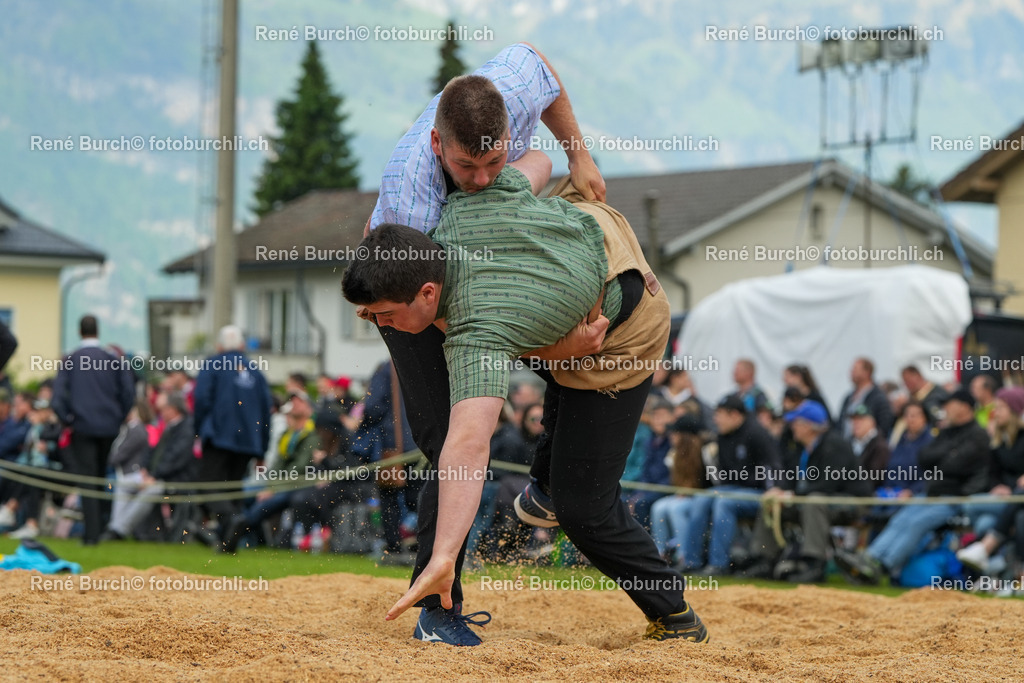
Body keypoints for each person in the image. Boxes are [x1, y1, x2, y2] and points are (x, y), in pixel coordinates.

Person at [344, 144, 707, 644]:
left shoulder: (480, 333)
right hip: (588, 239)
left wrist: (444, 557)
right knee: (547, 355)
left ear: (428, 293)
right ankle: (548, 482)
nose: (380, 325)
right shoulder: (471, 204)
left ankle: (676, 615)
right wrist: (576, 154)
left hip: (623, 336)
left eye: (384, 314)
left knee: (586, 509)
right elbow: (536, 160)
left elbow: (468, 446)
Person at [837, 390, 991, 584]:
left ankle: (883, 565)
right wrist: (948, 454)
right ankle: (869, 557)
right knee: (901, 519)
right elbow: (924, 457)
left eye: (950, 404)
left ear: (965, 407)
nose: (945, 409)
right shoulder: (946, 432)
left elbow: (954, 464)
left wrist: (944, 458)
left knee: (916, 523)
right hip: (932, 493)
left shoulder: (977, 434)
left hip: (956, 497)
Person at [741, 401, 871, 583]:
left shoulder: (835, 445)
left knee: (814, 501)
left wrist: (792, 496)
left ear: (810, 426)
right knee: (773, 503)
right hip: (816, 500)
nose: (792, 427)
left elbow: (827, 484)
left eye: (797, 422)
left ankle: (814, 563)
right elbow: (793, 482)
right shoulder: (802, 449)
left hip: (853, 502)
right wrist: (780, 492)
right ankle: (764, 558)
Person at [50, 315, 135, 545]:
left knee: (87, 478)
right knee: (99, 477)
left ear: (80, 331)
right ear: (98, 331)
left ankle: (91, 534)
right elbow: (128, 392)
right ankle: (98, 529)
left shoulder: (71, 359)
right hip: (108, 426)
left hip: (82, 426)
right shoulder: (112, 358)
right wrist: (118, 416)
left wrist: (67, 419)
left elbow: (57, 398)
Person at [676, 395, 779, 575]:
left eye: (720, 414)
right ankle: (691, 561)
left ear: (735, 415)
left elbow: (773, 466)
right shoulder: (723, 435)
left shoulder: (757, 433)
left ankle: (718, 564)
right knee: (701, 498)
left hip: (760, 492)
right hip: (733, 489)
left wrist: (772, 489)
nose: (716, 419)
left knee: (724, 503)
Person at [193, 324, 272, 547]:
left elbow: (200, 399)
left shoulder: (212, 364)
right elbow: (266, 411)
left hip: (218, 435)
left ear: (219, 346)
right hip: (248, 439)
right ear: (242, 345)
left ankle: (232, 519)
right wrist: (262, 448)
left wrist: (199, 430)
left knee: (208, 486)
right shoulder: (256, 371)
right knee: (233, 486)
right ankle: (228, 543)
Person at [221, 392, 321, 553]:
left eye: (298, 402)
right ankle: (244, 536)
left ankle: (231, 536)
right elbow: (277, 464)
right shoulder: (288, 434)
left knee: (260, 505)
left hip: (297, 485)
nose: (293, 404)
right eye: (292, 402)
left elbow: (300, 467)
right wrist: (270, 483)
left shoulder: (312, 433)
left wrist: (273, 488)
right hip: (278, 483)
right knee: (243, 494)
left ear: (308, 408)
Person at [102, 392, 197, 540]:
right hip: (157, 475)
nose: (161, 413)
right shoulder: (170, 427)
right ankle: (115, 526)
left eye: (163, 409)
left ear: (173, 409)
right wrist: (145, 470)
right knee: (124, 484)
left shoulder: (186, 429)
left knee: (152, 490)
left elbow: (176, 458)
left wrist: (154, 476)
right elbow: (153, 452)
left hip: (175, 479)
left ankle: (118, 530)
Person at [962, 386, 1024, 537]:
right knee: (984, 524)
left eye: (1001, 407)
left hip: (1017, 496)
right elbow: (993, 471)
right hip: (1004, 495)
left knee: (970, 505)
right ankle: (998, 553)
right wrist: (997, 486)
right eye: (996, 407)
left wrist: (1010, 488)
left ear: (1014, 410)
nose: (996, 412)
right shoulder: (998, 439)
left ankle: (988, 548)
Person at [622, 400, 675, 529]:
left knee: (640, 503)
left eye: (662, 416)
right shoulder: (650, 440)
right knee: (621, 501)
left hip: (666, 488)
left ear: (672, 417)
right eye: (655, 416)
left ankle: (644, 543)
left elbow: (673, 475)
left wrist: (644, 494)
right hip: (647, 488)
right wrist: (640, 492)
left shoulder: (674, 441)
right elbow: (645, 470)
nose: (658, 420)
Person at [877, 401, 933, 499]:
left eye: (914, 415)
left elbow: (932, 474)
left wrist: (912, 491)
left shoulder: (930, 442)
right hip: (891, 493)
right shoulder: (899, 439)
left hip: (915, 496)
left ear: (924, 417)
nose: (910, 419)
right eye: (907, 415)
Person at [839, 358, 895, 440]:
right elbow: (841, 422)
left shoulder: (879, 398)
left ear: (867, 372)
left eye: (855, 369)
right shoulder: (848, 397)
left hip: (866, 448)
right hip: (846, 447)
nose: (851, 373)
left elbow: (884, 425)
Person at [848, 404, 890, 481]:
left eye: (860, 419)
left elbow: (873, 478)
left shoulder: (880, 447)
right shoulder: (849, 444)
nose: (856, 423)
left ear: (872, 422)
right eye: (854, 420)